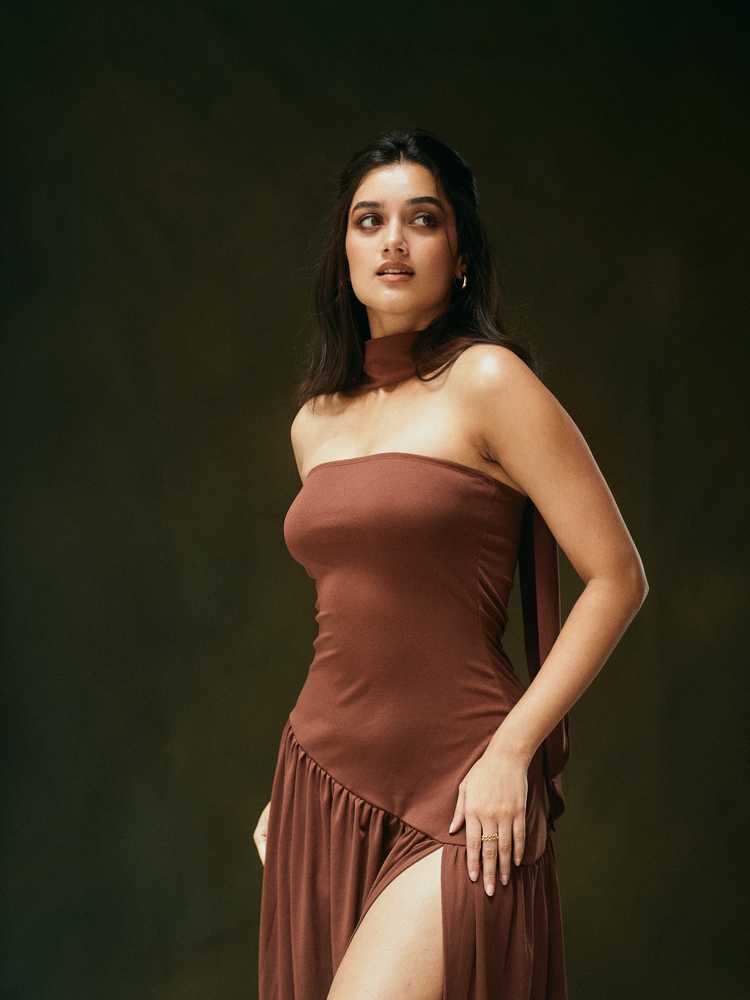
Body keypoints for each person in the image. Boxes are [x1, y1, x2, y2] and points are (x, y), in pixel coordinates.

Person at [254, 127, 648, 1000]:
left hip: (467, 783)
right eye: (369, 220)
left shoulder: (490, 382)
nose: (393, 240)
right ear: (345, 255)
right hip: (321, 780)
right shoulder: (314, 424)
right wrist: (290, 789)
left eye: (422, 219)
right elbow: (355, 616)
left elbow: (618, 576)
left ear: (460, 256)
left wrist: (513, 752)